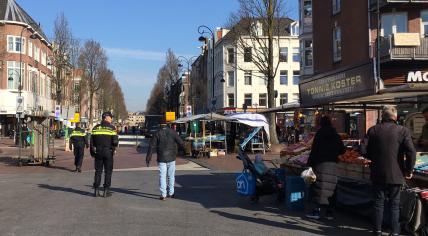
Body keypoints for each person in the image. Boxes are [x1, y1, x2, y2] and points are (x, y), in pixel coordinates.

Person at [364, 106, 416, 236]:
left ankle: (377, 231)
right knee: (394, 204)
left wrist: (373, 158)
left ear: (382, 116)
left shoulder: (373, 130)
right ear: (395, 117)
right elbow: (411, 152)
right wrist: (408, 170)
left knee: (378, 203)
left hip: (377, 173)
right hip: (396, 173)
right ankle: (395, 232)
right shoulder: (403, 131)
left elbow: (363, 150)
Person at [306, 115, 345, 220]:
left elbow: (314, 150)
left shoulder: (319, 134)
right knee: (331, 189)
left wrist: (309, 164)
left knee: (319, 188)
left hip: (320, 165)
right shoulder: (336, 135)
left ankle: (316, 211)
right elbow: (342, 150)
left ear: (321, 124)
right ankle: (329, 213)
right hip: (333, 165)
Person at [146, 118, 184, 201]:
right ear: (166, 123)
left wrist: (148, 158)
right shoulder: (173, 132)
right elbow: (181, 142)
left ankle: (163, 194)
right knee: (171, 176)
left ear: (160, 124)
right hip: (172, 157)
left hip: (161, 157)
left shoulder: (157, 133)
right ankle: (171, 193)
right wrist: (181, 151)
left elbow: (151, 146)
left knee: (162, 176)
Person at [90, 111, 119, 198]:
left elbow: (91, 142)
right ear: (106, 118)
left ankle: (96, 190)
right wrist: (114, 149)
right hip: (108, 152)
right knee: (108, 172)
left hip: (98, 152)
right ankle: (106, 191)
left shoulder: (95, 128)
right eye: (110, 117)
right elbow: (115, 141)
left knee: (98, 171)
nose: (111, 119)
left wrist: (92, 153)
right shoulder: (112, 128)